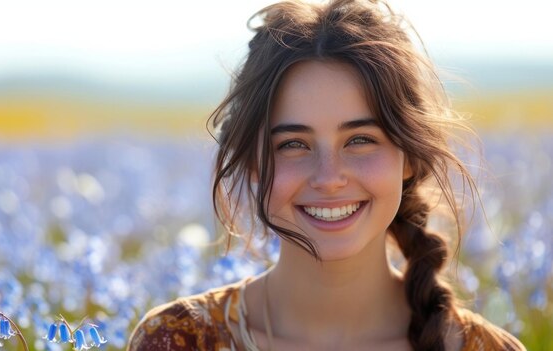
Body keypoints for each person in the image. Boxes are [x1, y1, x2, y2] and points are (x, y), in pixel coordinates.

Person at [128, 0, 526, 350]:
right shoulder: (178, 340)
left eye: (360, 140)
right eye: (293, 144)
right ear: (251, 161)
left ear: (408, 156)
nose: (329, 177)